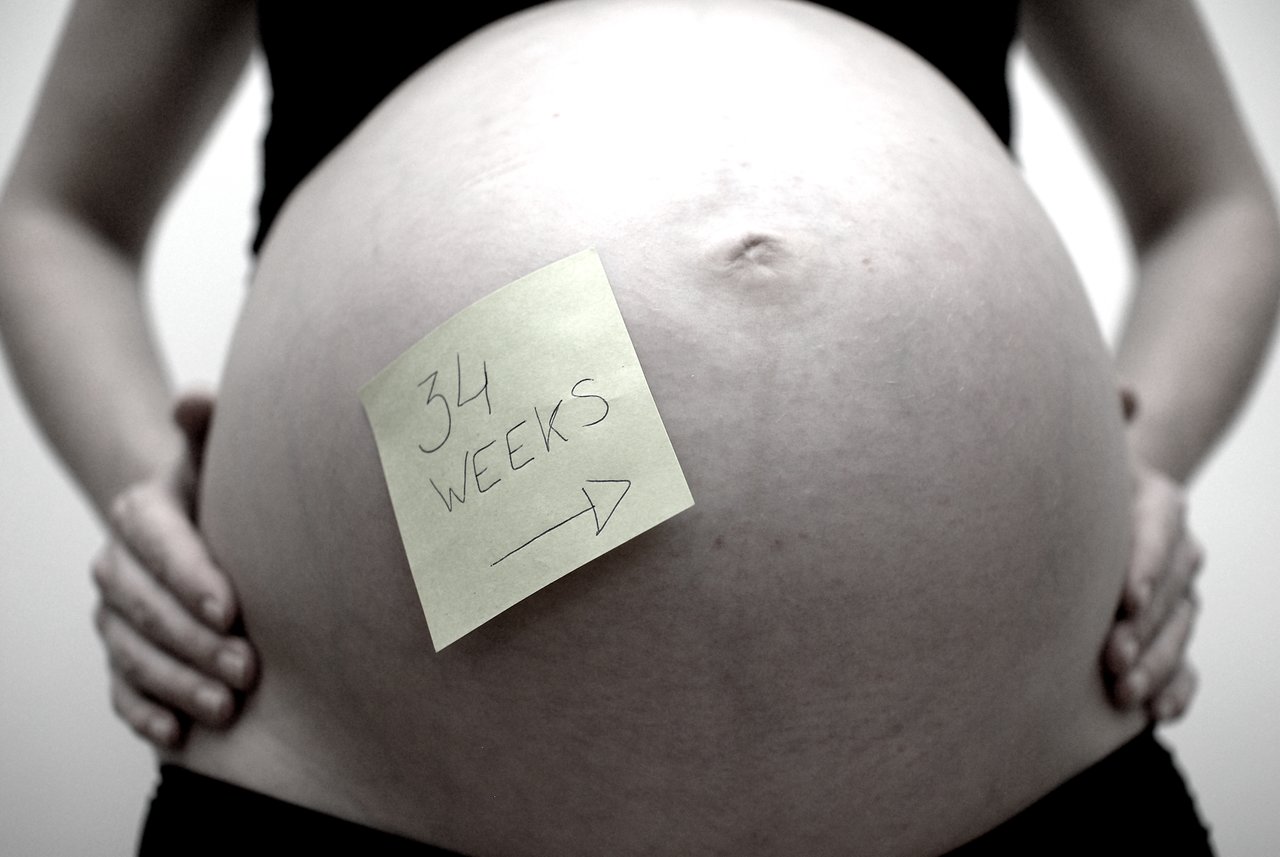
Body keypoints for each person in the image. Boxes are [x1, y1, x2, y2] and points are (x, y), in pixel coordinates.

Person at [0, 0, 1274, 853]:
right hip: (344, 782)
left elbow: (1213, 197)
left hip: (1025, 783)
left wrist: (1143, 461)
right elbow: (54, 209)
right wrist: (146, 492)